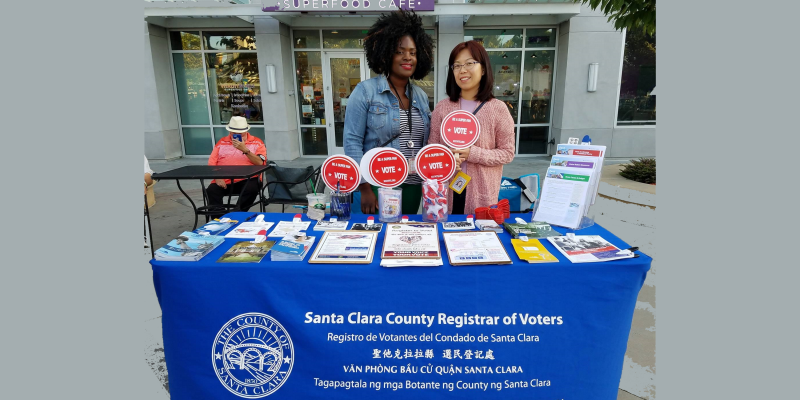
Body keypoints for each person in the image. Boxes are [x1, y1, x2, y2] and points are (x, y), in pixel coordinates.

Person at [343, 9, 435, 214]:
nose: (407, 57)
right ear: (385, 53)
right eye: (400, 51)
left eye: (413, 52)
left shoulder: (419, 95)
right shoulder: (365, 91)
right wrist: (364, 186)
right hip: (378, 183)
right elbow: (352, 142)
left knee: (403, 239)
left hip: (413, 185)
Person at [429, 40, 516, 215]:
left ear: (483, 69)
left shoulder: (497, 108)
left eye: (470, 63)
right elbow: (433, 150)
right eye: (457, 65)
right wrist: (446, 160)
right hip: (446, 191)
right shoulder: (442, 107)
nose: (462, 70)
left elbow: (507, 153)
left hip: (482, 193)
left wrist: (473, 153)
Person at [206, 116, 267, 218]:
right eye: (233, 133)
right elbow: (212, 162)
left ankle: (236, 215)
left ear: (246, 131)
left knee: (251, 189)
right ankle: (220, 218)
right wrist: (217, 177)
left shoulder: (257, 142)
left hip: (248, 178)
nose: (236, 135)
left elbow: (260, 163)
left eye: (240, 133)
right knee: (211, 190)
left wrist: (245, 150)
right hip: (224, 179)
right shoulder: (221, 142)